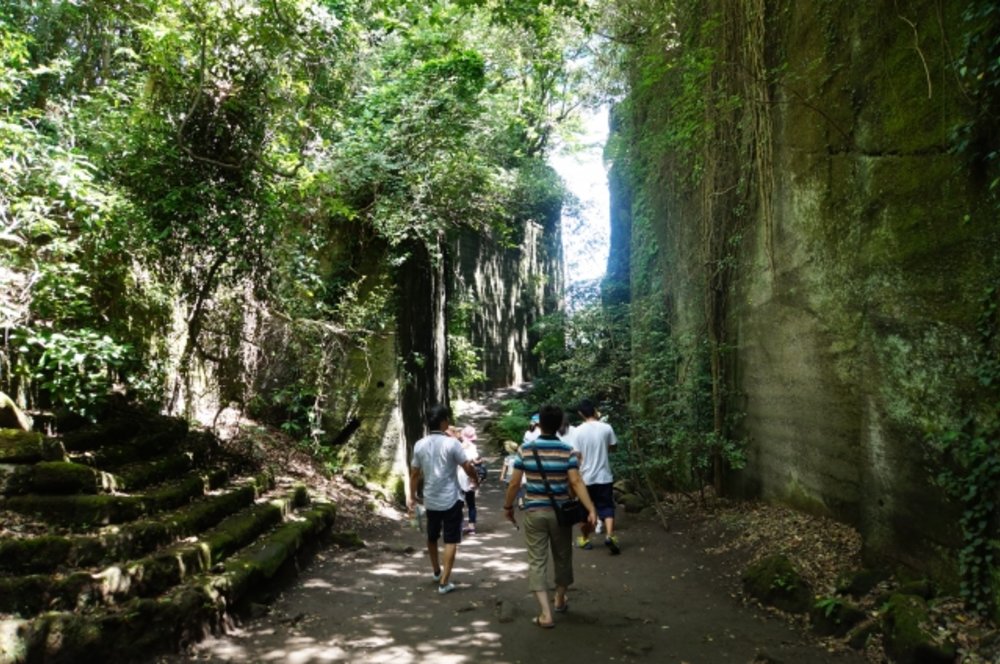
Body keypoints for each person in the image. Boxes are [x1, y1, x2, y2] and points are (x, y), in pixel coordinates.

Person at [503, 405, 597, 628]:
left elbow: (515, 482)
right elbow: (575, 482)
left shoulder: (525, 450)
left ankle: (545, 614)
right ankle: (560, 598)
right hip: (560, 513)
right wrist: (591, 508)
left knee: (537, 561)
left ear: (539, 423)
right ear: (559, 425)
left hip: (535, 512)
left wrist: (508, 506)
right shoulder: (567, 451)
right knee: (563, 556)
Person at [409, 404, 479, 594]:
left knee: (432, 537)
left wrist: (412, 496)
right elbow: (466, 467)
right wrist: (475, 477)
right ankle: (444, 582)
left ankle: (436, 572)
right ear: (443, 422)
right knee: (450, 540)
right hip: (451, 499)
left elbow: (415, 473)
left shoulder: (419, 444)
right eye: (447, 419)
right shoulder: (452, 443)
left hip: (430, 499)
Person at [571, 398, 620, 554]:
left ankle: (585, 539)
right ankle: (610, 535)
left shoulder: (577, 431)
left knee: (584, 511)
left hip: (585, 478)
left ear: (580, 414)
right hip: (604, 476)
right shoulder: (607, 428)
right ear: (595, 410)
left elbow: (577, 455)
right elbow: (614, 447)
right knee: (607, 507)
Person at [458, 425, 482, 535]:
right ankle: (471, 526)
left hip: (459, 476)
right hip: (470, 476)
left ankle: (461, 524)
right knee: (471, 503)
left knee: (459, 503)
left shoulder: (458, 446)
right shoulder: (473, 447)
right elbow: (474, 461)